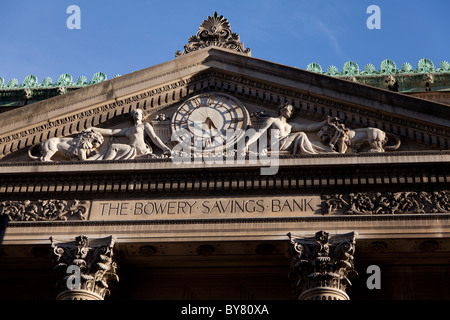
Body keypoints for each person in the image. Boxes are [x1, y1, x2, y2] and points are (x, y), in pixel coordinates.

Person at [245, 103, 331, 155]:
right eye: (290, 110)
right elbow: (259, 133)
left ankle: (319, 151)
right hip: (276, 145)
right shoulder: (272, 120)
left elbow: (308, 128)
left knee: (310, 141)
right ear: (283, 109)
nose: (291, 112)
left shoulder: (290, 126)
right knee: (301, 135)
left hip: (285, 144)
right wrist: (247, 144)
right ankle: (310, 154)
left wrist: (323, 123)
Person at [86, 109, 172, 160]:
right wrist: (93, 129)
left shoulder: (145, 125)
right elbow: (111, 132)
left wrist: (165, 148)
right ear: (132, 116)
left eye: (138, 113)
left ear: (142, 116)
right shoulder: (128, 130)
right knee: (113, 147)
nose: (136, 114)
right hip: (131, 149)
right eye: (135, 113)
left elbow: (154, 137)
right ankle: (106, 164)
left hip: (142, 149)